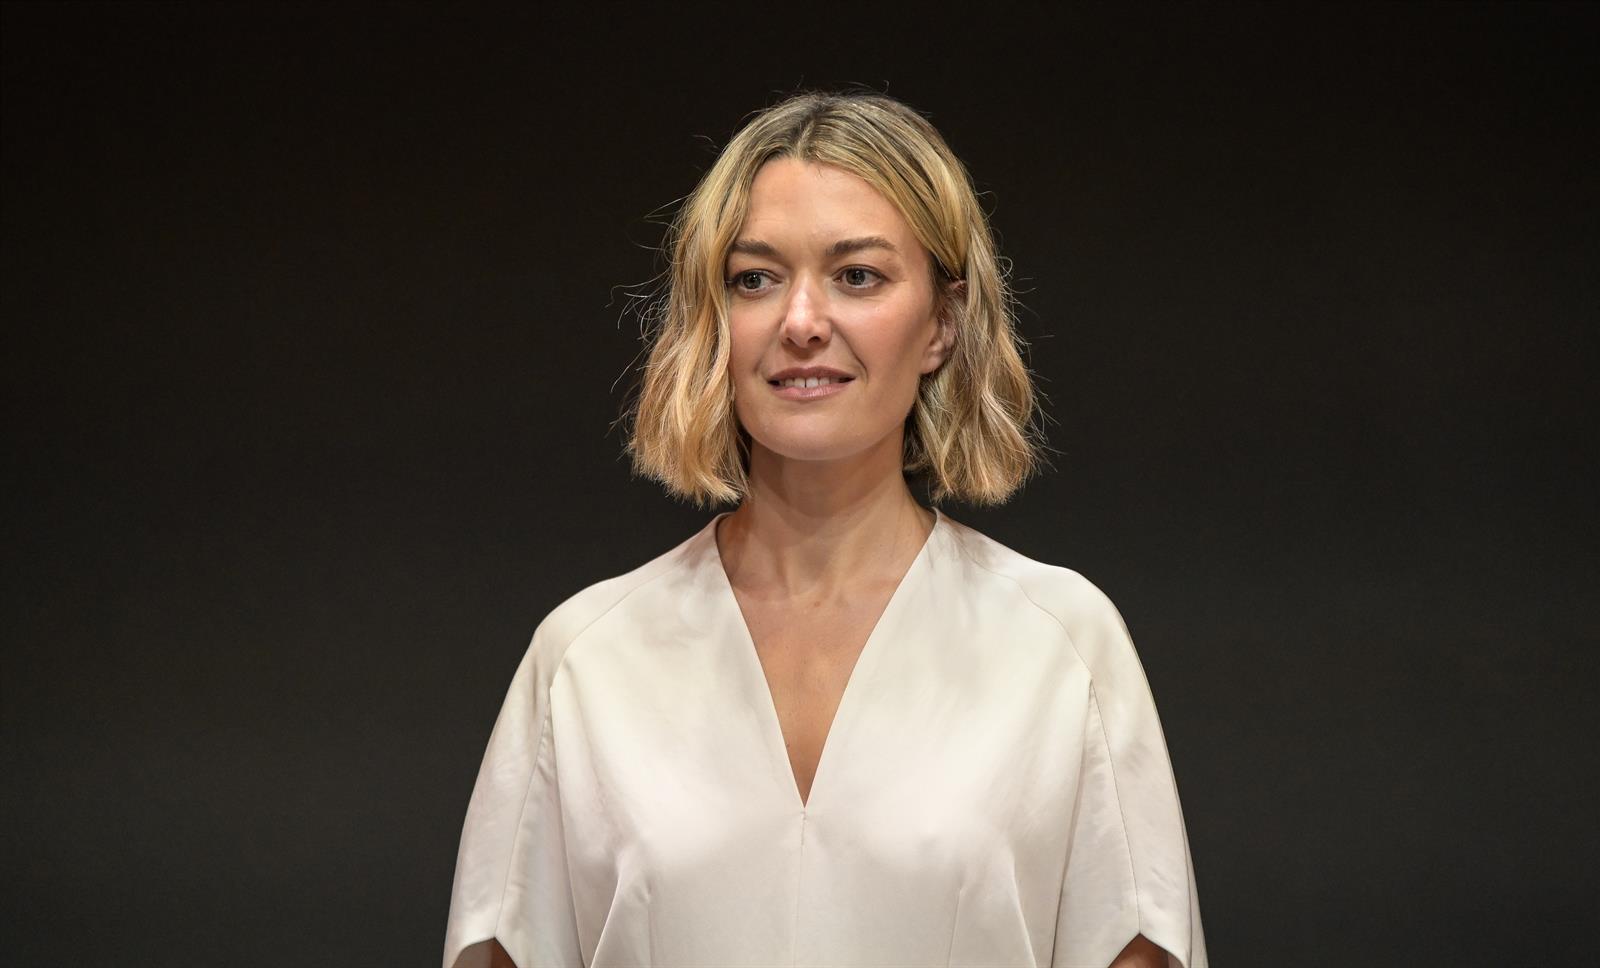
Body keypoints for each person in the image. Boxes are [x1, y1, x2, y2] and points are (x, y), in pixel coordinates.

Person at [442, 91, 1206, 968]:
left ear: (943, 323)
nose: (802, 322)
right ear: (714, 321)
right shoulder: (588, 657)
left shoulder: (1060, 644)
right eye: (755, 279)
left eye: (858, 276)